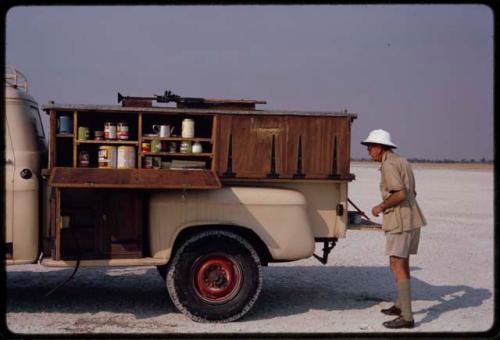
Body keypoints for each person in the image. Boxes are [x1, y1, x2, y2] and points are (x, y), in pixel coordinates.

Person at [361, 129, 427, 329]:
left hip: (400, 221)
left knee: (397, 265)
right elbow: (412, 191)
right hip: (410, 218)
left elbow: (400, 193)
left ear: (380, 148)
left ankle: (407, 317)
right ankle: (400, 306)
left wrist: (380, 207)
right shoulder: (401, 161)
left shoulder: (389, 165)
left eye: (371, 147)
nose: (369, 151)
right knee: (400, 262)